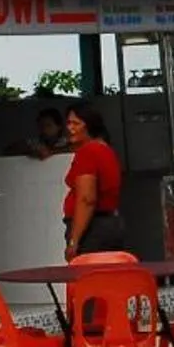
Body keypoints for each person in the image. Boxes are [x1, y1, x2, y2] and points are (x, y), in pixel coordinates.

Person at [62, 102, 127, 257]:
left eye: (76, 123)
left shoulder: (88, 152)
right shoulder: (105, 149)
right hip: (108, 225)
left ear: (89, 126)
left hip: (92, 230)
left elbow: (87, 199)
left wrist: (74, 241)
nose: (70, 128)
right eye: (68, 123)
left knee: (87, 278)